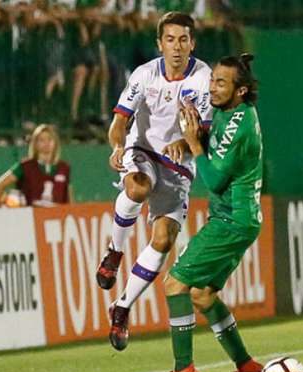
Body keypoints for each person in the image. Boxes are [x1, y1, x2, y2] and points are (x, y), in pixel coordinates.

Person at [146, 53, 265, 372]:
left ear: (240, 91)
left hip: (231, 220)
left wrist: (193, 142)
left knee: (174, 283)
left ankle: (184, 371)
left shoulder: (239, 124)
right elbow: (214, 133)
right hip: (240, 220)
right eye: (212, 79)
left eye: (221, 83)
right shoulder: (233, 112)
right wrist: (190, 140)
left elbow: (213, 179)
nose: (212, 88)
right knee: (202, 295)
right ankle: (246, 367)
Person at [95, 12, 213, 351]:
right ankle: (115, 252)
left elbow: (204, 129)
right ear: (159, 44)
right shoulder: (145, 75)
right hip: (143, 150)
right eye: (170, 40)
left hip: (179, 165)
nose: (177, 48)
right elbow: (119, 121)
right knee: (137, 187)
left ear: (192, 43)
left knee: (163, 240)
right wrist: (118, 145)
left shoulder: (203, 78)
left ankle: (121, 307)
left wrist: (186, 142)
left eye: (183, 40)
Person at [0, 123, 71, 207]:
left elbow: (69, 198)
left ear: (55, 143)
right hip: (29, 217)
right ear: (35, 143)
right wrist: (0, 211)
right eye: (42, 140)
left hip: (55, 217)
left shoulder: (64, 168)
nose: (46, 143)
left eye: (50, 139)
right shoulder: (25, 166)